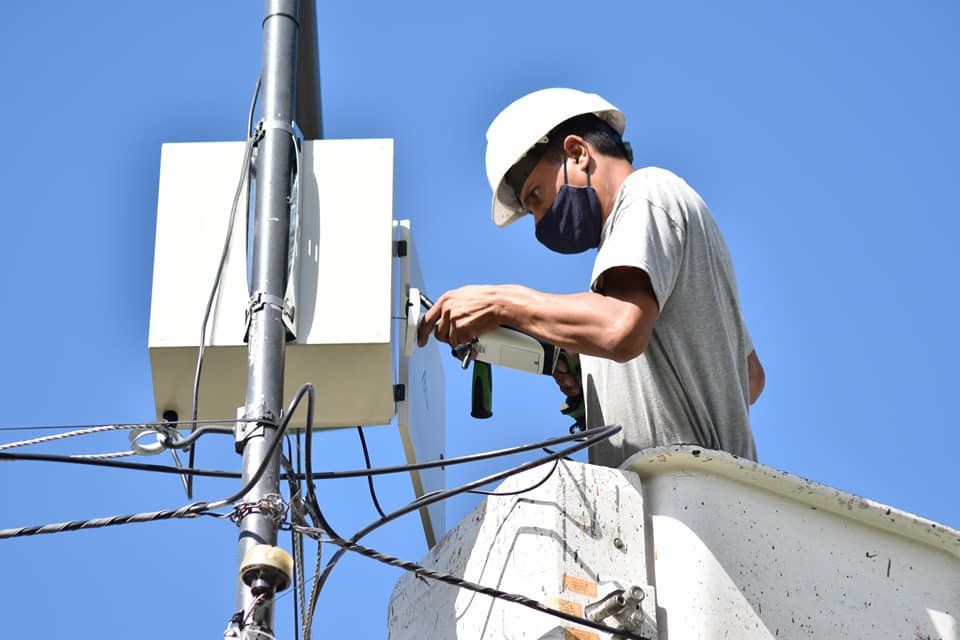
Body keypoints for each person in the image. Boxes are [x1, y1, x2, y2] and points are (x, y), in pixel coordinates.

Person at [417, 88, 764, 467]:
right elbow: (749, 376)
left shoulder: (647, 193)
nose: (538, 222)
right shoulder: (640, 252)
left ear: (578, 153)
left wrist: (502, 304)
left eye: (536, 195)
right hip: (696, 498)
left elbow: (619, 328)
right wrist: (606, 378)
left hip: (690, 500)